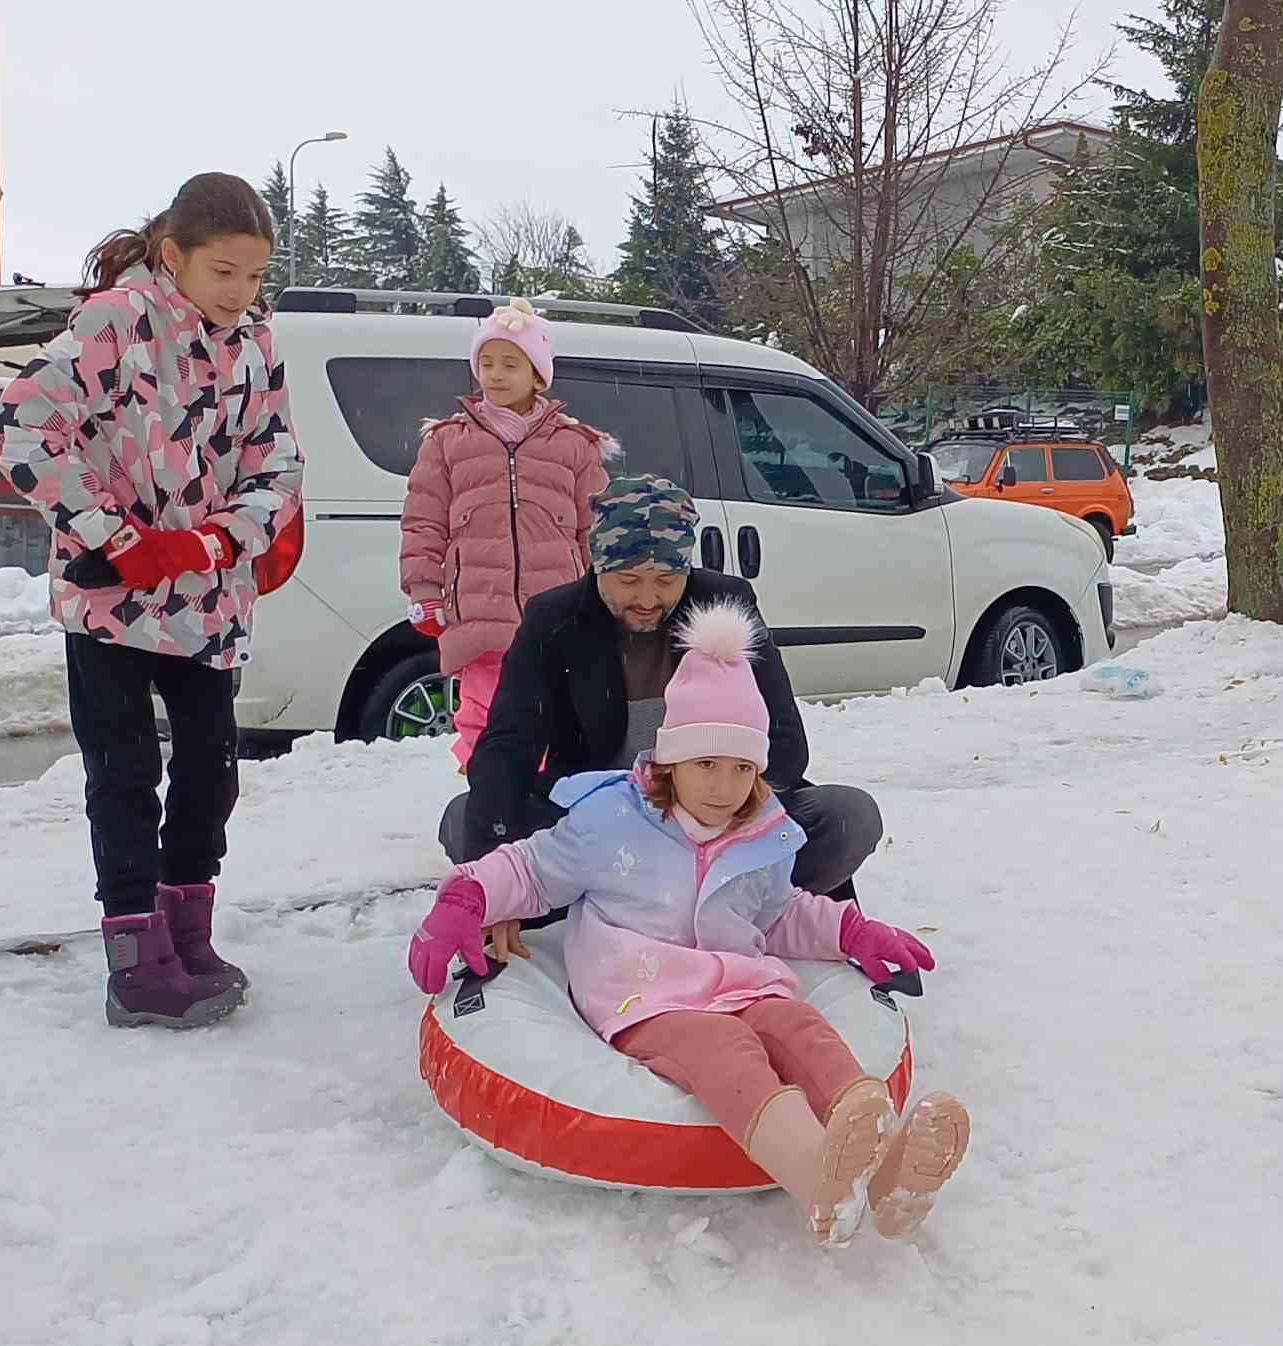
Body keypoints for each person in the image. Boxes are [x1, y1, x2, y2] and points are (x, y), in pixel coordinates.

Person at [409, 600, 970, 1245]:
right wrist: (466, 901)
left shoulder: (760, 832)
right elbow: (532, 870)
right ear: (670, 760)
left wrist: (854, 933)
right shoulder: (612, 821)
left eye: (741, 768)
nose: (723, 786)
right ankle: (818, 1177)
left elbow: (779, 911)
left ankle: (881, 1156)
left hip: (740, 981)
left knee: (800, 1028)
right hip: (645, 996)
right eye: (706, 764)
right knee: (728, 1054)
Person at [0, 173, 303, 1028]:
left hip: (207, 601)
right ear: (174, 256)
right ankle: (134, 957)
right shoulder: (115, 323)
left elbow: (279, 465)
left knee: (210, 772)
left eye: (253, 276)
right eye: (223, 273)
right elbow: (19, 428)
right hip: (110, 604)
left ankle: (184, 929)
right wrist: (117, 539)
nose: (240, 294)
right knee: (125, 774)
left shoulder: (258, 344)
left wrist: (207, 544)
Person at [439, 475, 884, 959]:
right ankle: (608, 900)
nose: (648, 598)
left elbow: (782, 741)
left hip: (719, 820)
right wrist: (496, 890)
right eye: (629, 580)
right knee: (465, 820)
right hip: (600, 827)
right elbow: (508, 744)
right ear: (597, 564)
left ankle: (744, 904)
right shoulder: (554, 618)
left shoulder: (725, 605)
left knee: (847, 817)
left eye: (667, 581)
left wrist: (718, 813)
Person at [399, 296, 615, 767]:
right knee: (484, 709)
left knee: (554, 708)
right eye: (487, 362)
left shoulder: (574, 445)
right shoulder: (448, 441)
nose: (495, 374)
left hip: (555, 607)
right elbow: (423, 522)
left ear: (538, 375)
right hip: (479, 606)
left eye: (510, 364)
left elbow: (596, 530)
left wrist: (603, 596)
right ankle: (487, 794)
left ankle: (544, 797)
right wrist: (424, 590)